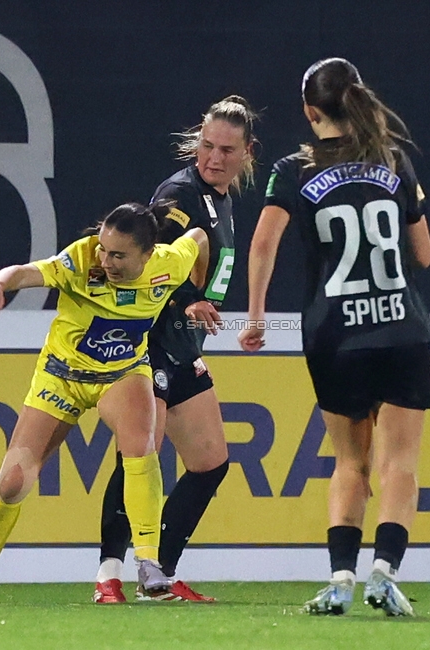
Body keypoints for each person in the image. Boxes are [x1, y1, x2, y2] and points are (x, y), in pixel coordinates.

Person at [0, 201, 209, 602]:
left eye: (118, 254)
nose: (106, 260)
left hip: (121, 373)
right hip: (62, 378)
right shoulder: (81, 260)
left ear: (147, 255)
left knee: (141, 448)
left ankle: (149, 565)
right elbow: (27, 272)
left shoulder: (168, 262)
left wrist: (193, 296)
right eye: (104, 249)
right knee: (13, 482)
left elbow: (198, 239)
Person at [238, 58, 430, 617]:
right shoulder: (393, 160)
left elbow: (262, 245)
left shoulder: (293, 169)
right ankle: (385, 572)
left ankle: (341, 579)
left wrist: (255, 317)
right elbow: (423, 253)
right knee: (402, 463)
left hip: (334, 334)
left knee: (351, 463)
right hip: (400, 328)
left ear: (309, 111)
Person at [93, 96, 258, 603]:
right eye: (207, 145)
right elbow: (149, 263)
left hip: (184, 346)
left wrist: (201, 308)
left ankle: (159, 573)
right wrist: (186, 301)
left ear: (247, 153)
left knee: (210, 462)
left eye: (227, 149)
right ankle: (108, 577)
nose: (214, 157)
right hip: (150, 344)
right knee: (138, 456)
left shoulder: (221, 200)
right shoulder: (180, 194)